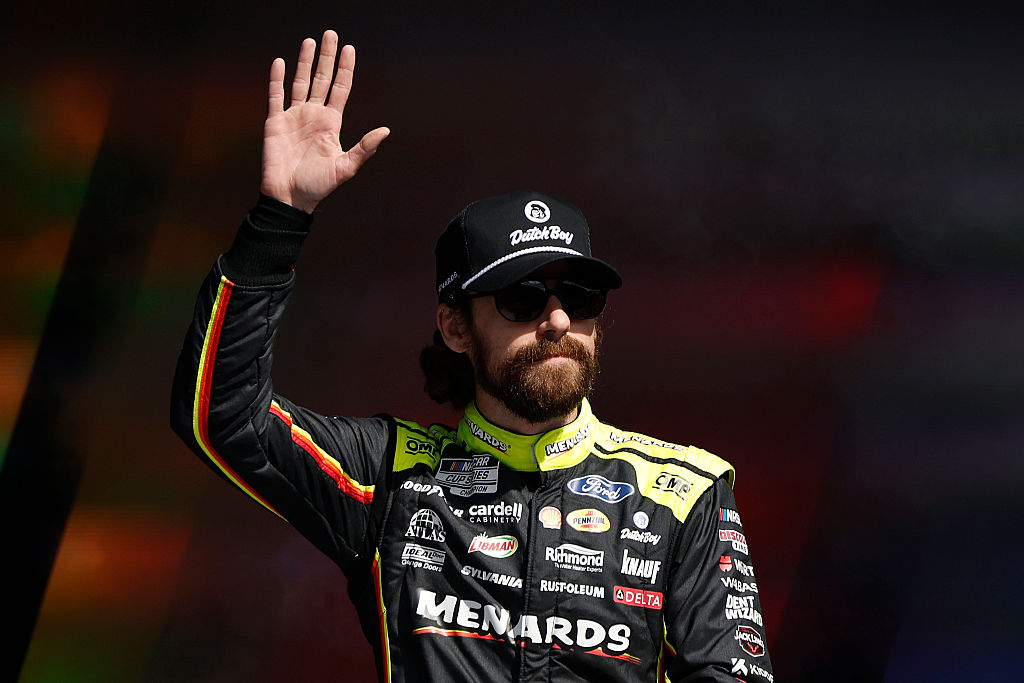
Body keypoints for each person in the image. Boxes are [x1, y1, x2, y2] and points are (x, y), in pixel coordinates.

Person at [170, 29, 774, 683]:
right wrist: (279, 219)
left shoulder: (683, 493)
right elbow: (222, 415)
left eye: (581, 294)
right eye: (520, 298)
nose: (558, 320)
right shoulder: (391, 478)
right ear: (455, 326)